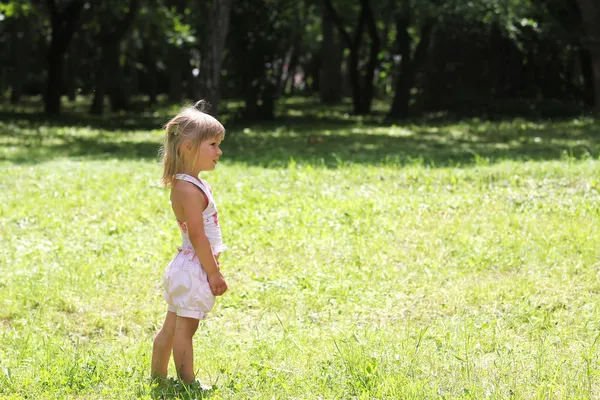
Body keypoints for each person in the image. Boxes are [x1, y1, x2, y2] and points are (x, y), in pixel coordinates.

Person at [151, 101, 228, 385]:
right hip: (195, 268)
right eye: (213, 144)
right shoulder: (187, 188)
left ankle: (158, 378)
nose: (219, 151)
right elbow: (198, 237)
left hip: (185, 265)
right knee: (185, 332)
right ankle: (187, 384)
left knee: (171, 328)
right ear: (187, 146)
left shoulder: (186, 183)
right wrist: (214, 273)